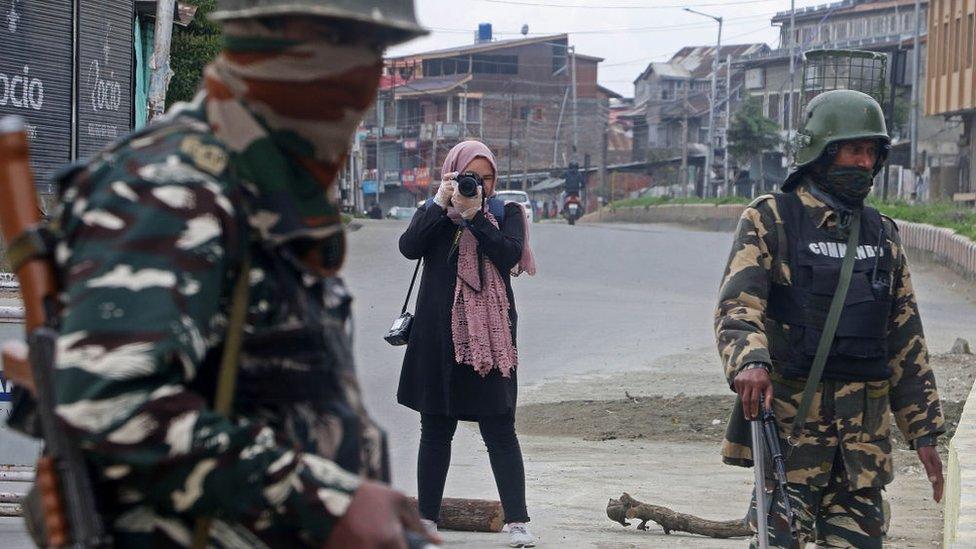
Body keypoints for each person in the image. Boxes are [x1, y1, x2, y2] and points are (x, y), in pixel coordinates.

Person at [42, 1, 440, 547]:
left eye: (372, 51)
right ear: (263, 43)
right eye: (334, 45)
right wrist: (323, 501)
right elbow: (108, 407)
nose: (358, 81)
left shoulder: (266, 187)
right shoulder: (171, 190)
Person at [715, 90, 945, 548]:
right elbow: (738, 306)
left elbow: (905, 341)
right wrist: (750, 362)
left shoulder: (883, 235)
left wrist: (924, 431)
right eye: (852, 150)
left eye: (870, 153)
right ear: (821, 152)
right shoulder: (771, 219)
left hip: (863, 445)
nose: (863, 163)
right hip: (791, 436)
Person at [397, 140, 538, 548]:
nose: (480, 184)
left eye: (487, 177)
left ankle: (517, 521)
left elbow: (509, 256)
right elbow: (409, 248)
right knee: (436, 426)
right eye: (470, 176)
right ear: (453, 174)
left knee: (499, 424)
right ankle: (427, 520)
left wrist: (477, 218)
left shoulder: (505, 212)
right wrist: (440, 204)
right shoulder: (437, 213)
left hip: (489, 337)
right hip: (438, 334)